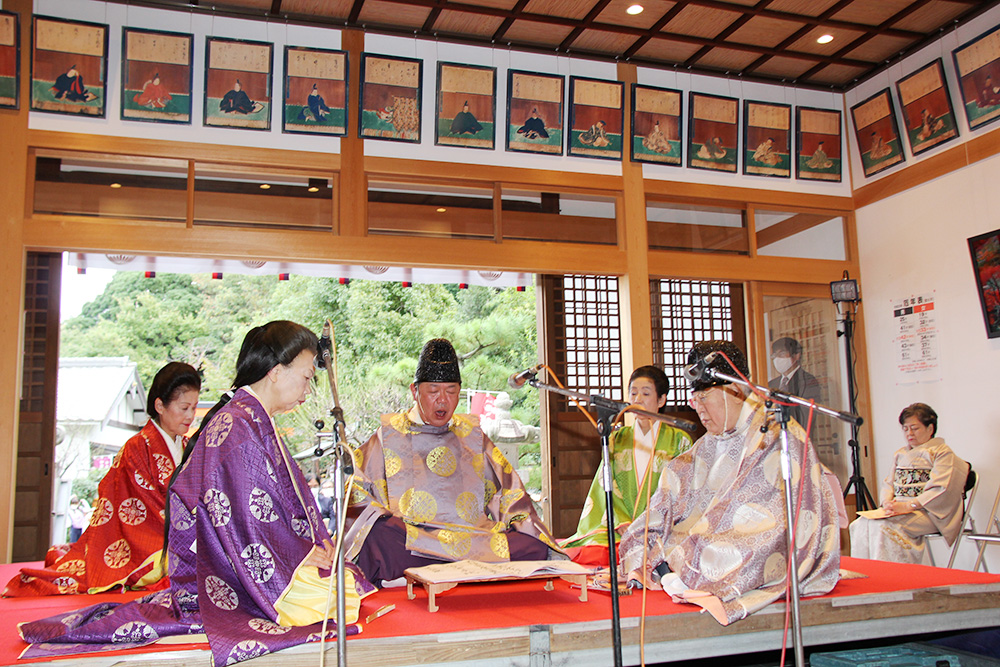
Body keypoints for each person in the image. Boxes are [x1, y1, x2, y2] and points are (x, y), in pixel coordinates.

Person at [18, 322, 375, 665]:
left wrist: (309, 546)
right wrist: (297, 554)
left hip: (256, 551)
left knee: (344, 585)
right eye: (307, 376)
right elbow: (245, 514)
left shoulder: (251, 418)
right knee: (333, 602)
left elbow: (275, 502)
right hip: (228, 564)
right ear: (276, 371)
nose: (308, 389)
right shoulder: (238, 425)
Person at [618, 340, 841, 626]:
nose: (698, 409)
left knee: (715, 556)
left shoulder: (776, 436)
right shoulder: (706, 445)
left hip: (752, 542)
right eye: (694, 400)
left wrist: (681, 549)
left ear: (735, 390)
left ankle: (675, 565)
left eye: (705, 398)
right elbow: (664, 504)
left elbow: (767, 524)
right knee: (644, 536)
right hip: (694, 544)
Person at [345, 338, 560, 586]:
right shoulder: (389, 435)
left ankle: (439, 568)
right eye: (434, 392)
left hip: (473, 537)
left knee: (533, 543)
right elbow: (358, 491)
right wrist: (384, 518)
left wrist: (518, 523)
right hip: (417, 540)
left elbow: (510, 492)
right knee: (380, 536)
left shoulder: (473, 436)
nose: (443, 401)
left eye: (451, 391)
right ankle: (469, 567)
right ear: (415, 391)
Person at [5, 362, 201, 597]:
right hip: (146, 538)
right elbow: (139, 506)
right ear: (160, 405)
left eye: (194, 408)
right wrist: (187, 530)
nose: (190, 416)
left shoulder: (185, 446)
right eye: (184, 407)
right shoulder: (137, 448)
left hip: (177, 532)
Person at [560, 366, 693, 566]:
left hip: (659, 529)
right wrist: (620, 521)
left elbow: (684, 490)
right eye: (633, 393)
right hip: (621, 528)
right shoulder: (617, 438)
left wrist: (652, 524)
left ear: (661, 400)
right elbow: (604, 483)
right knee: (597, 553)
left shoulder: (679, 440)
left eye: (646, 393)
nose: (638, 399)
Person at [849, 403, 969, 564]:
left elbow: (941, 488)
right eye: (905, 429)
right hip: (899, 508)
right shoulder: (901, 453)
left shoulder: (942, 452)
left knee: (884, 526)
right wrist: (887, 503)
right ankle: (866, 574)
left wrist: (908, 506)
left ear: (930, 428)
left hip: (927, 511)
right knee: (860, 524)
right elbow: (889, 484)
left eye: (915, 428)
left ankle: (892, 578)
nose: (909, 433)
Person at [767, 336, 822, 428]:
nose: (777, 359)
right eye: (774, 355)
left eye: (782, 354)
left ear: (796, 355)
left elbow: (805, 417)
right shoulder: (772, 384)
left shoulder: (808, 381)